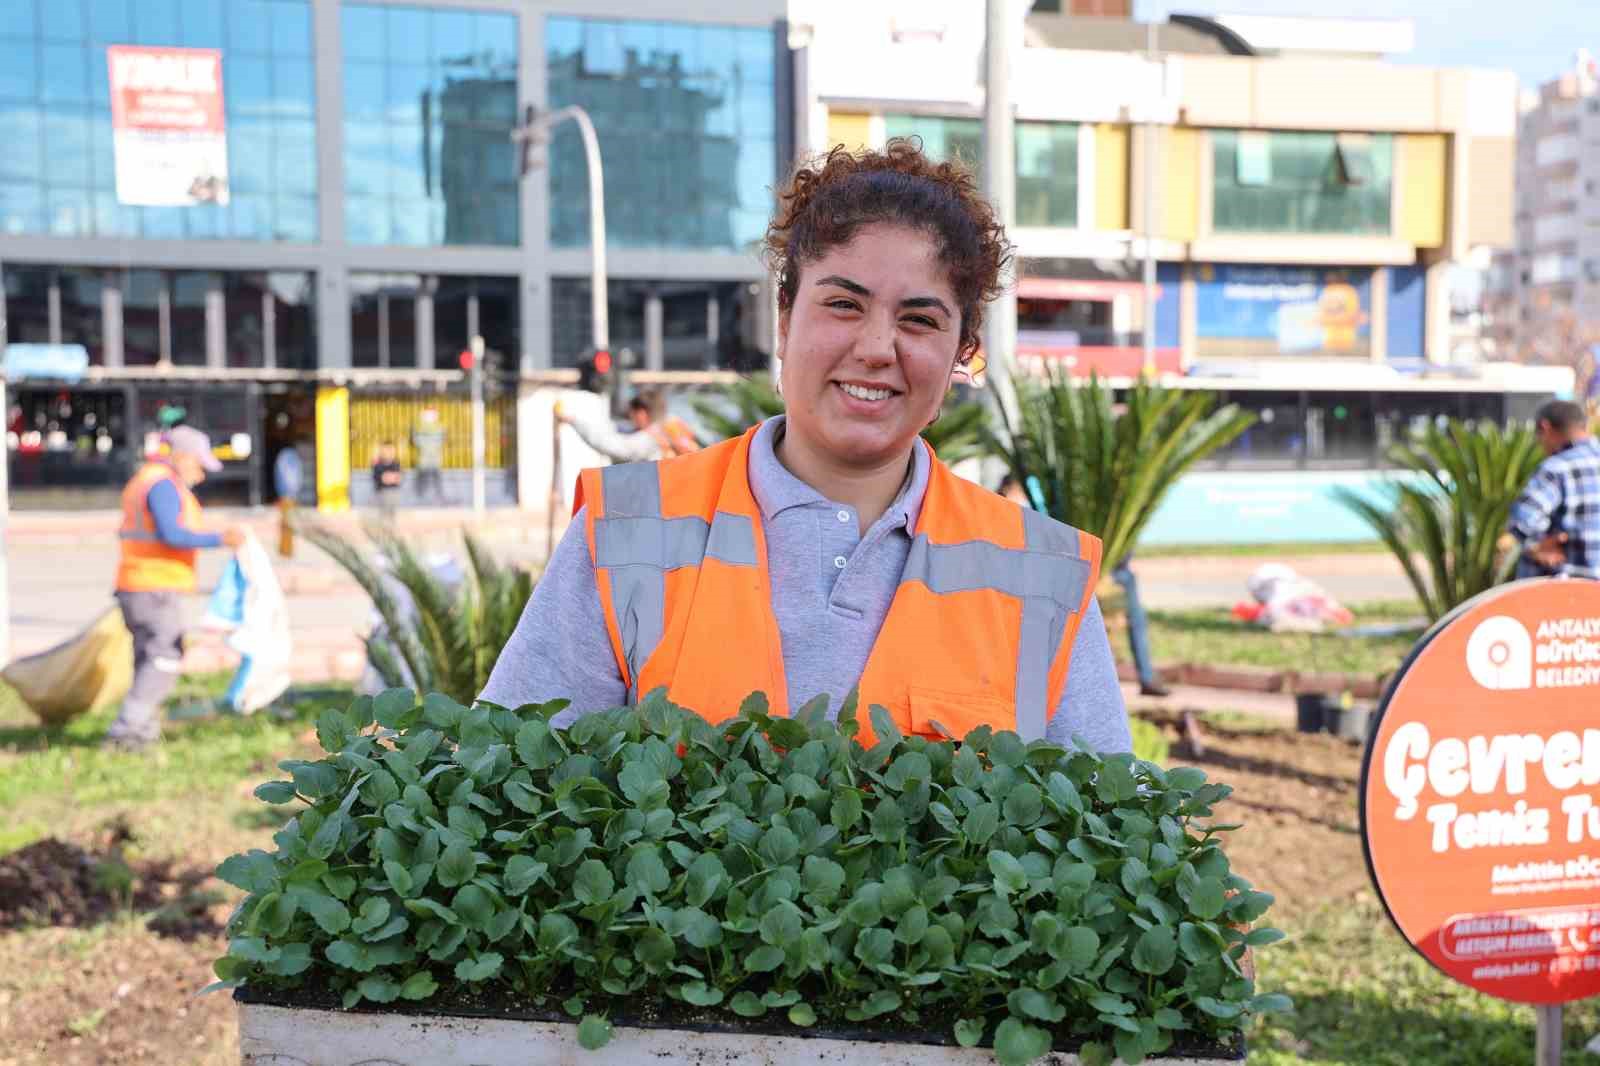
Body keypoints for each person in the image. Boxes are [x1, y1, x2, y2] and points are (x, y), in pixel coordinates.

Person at [482, 140, 1131, 753]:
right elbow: (508, 793)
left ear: (962, 352)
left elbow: (1107, 840)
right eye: (844, 305)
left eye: (920, 319)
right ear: (786, 319)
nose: (877, 348)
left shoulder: (1043, 575)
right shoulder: (624, 534)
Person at [105, 425, 246, 751]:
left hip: (138, 584)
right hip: (153, 587)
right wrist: (220, 538)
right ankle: (126, 731)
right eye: (199, 465)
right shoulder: (163, 486)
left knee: (148, 659)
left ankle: (141, 733)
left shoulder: (150, 479)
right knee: (165, 656)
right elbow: (173, 534)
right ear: (182, 457)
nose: (201, 474)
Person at [997, 475, 1169, 697]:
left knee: (1133, 616)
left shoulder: (1069, 486)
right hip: (1071, 571)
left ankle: (1144, 676)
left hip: (1098, 568)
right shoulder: (1043, 484)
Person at [1504, 399, 1600, 579]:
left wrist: (1536, 545)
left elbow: (1522, 519)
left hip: (1562, 594)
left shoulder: (1557, 468)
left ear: (1545, 428)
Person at [557, 387, 701, 463]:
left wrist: (573, 421)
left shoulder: (653, 437)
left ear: (642, 414)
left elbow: (616, 447)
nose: (632, 420)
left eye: (632, 415)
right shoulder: (677, 425)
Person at [411, 407, 447, 504]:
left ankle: (437, 496)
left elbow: (417, 441)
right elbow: (417, 441)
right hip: (425, 460)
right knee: (424, 479)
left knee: (435, 479)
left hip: (432, 460)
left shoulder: (438, 428)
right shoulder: (436, 429)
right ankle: (421, 497)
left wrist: (415, 432)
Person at [371, 440, 404, 523]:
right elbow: (382, 479)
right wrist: (390, 477)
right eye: (386, 450)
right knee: (383, 514)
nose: (389, 453)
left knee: (392, 514)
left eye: (391, 451)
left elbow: (398, 478)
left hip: (394, 493)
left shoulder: (396, 464)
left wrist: (390, 477)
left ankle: (391, 531)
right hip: (382, 493)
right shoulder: (378, 465)